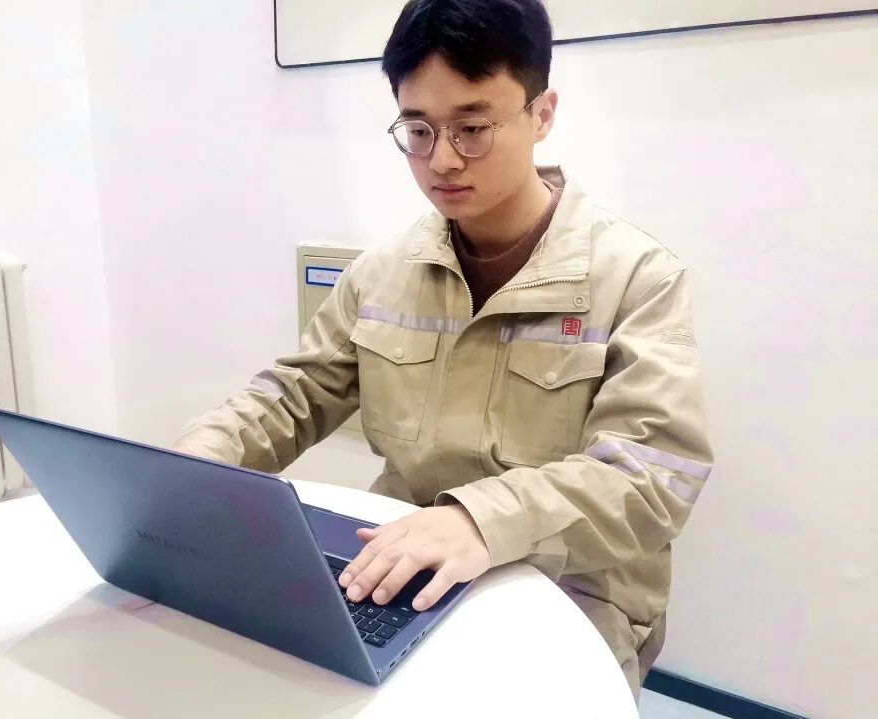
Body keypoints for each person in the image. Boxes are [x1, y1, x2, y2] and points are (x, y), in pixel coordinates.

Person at [173, 0, 713, 700]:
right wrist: (190, 469)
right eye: (418, 130)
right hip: (399, 567)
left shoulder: (637, 278)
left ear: (542, 113)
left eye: (473, 128)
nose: (442, 160)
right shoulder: (384, 272)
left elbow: (651, 477)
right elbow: (293, 395)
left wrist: (478, 520)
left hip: (572, 590)